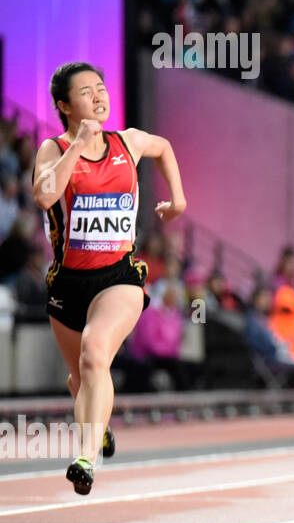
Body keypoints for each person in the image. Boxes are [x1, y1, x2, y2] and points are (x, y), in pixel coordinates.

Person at [31, 62, 187, 495]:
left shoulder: (128, 142)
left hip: (118, 277)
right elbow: (44, 195)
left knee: (96, 352)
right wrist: (75, 149)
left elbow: (164, 146)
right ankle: (98, 429)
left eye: (101, 88)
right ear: (64, 105)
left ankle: (85, 458)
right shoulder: (52, 149)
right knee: (80, 380)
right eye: (85, 92)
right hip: (67, 284)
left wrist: (177, 199)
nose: (98, 97)